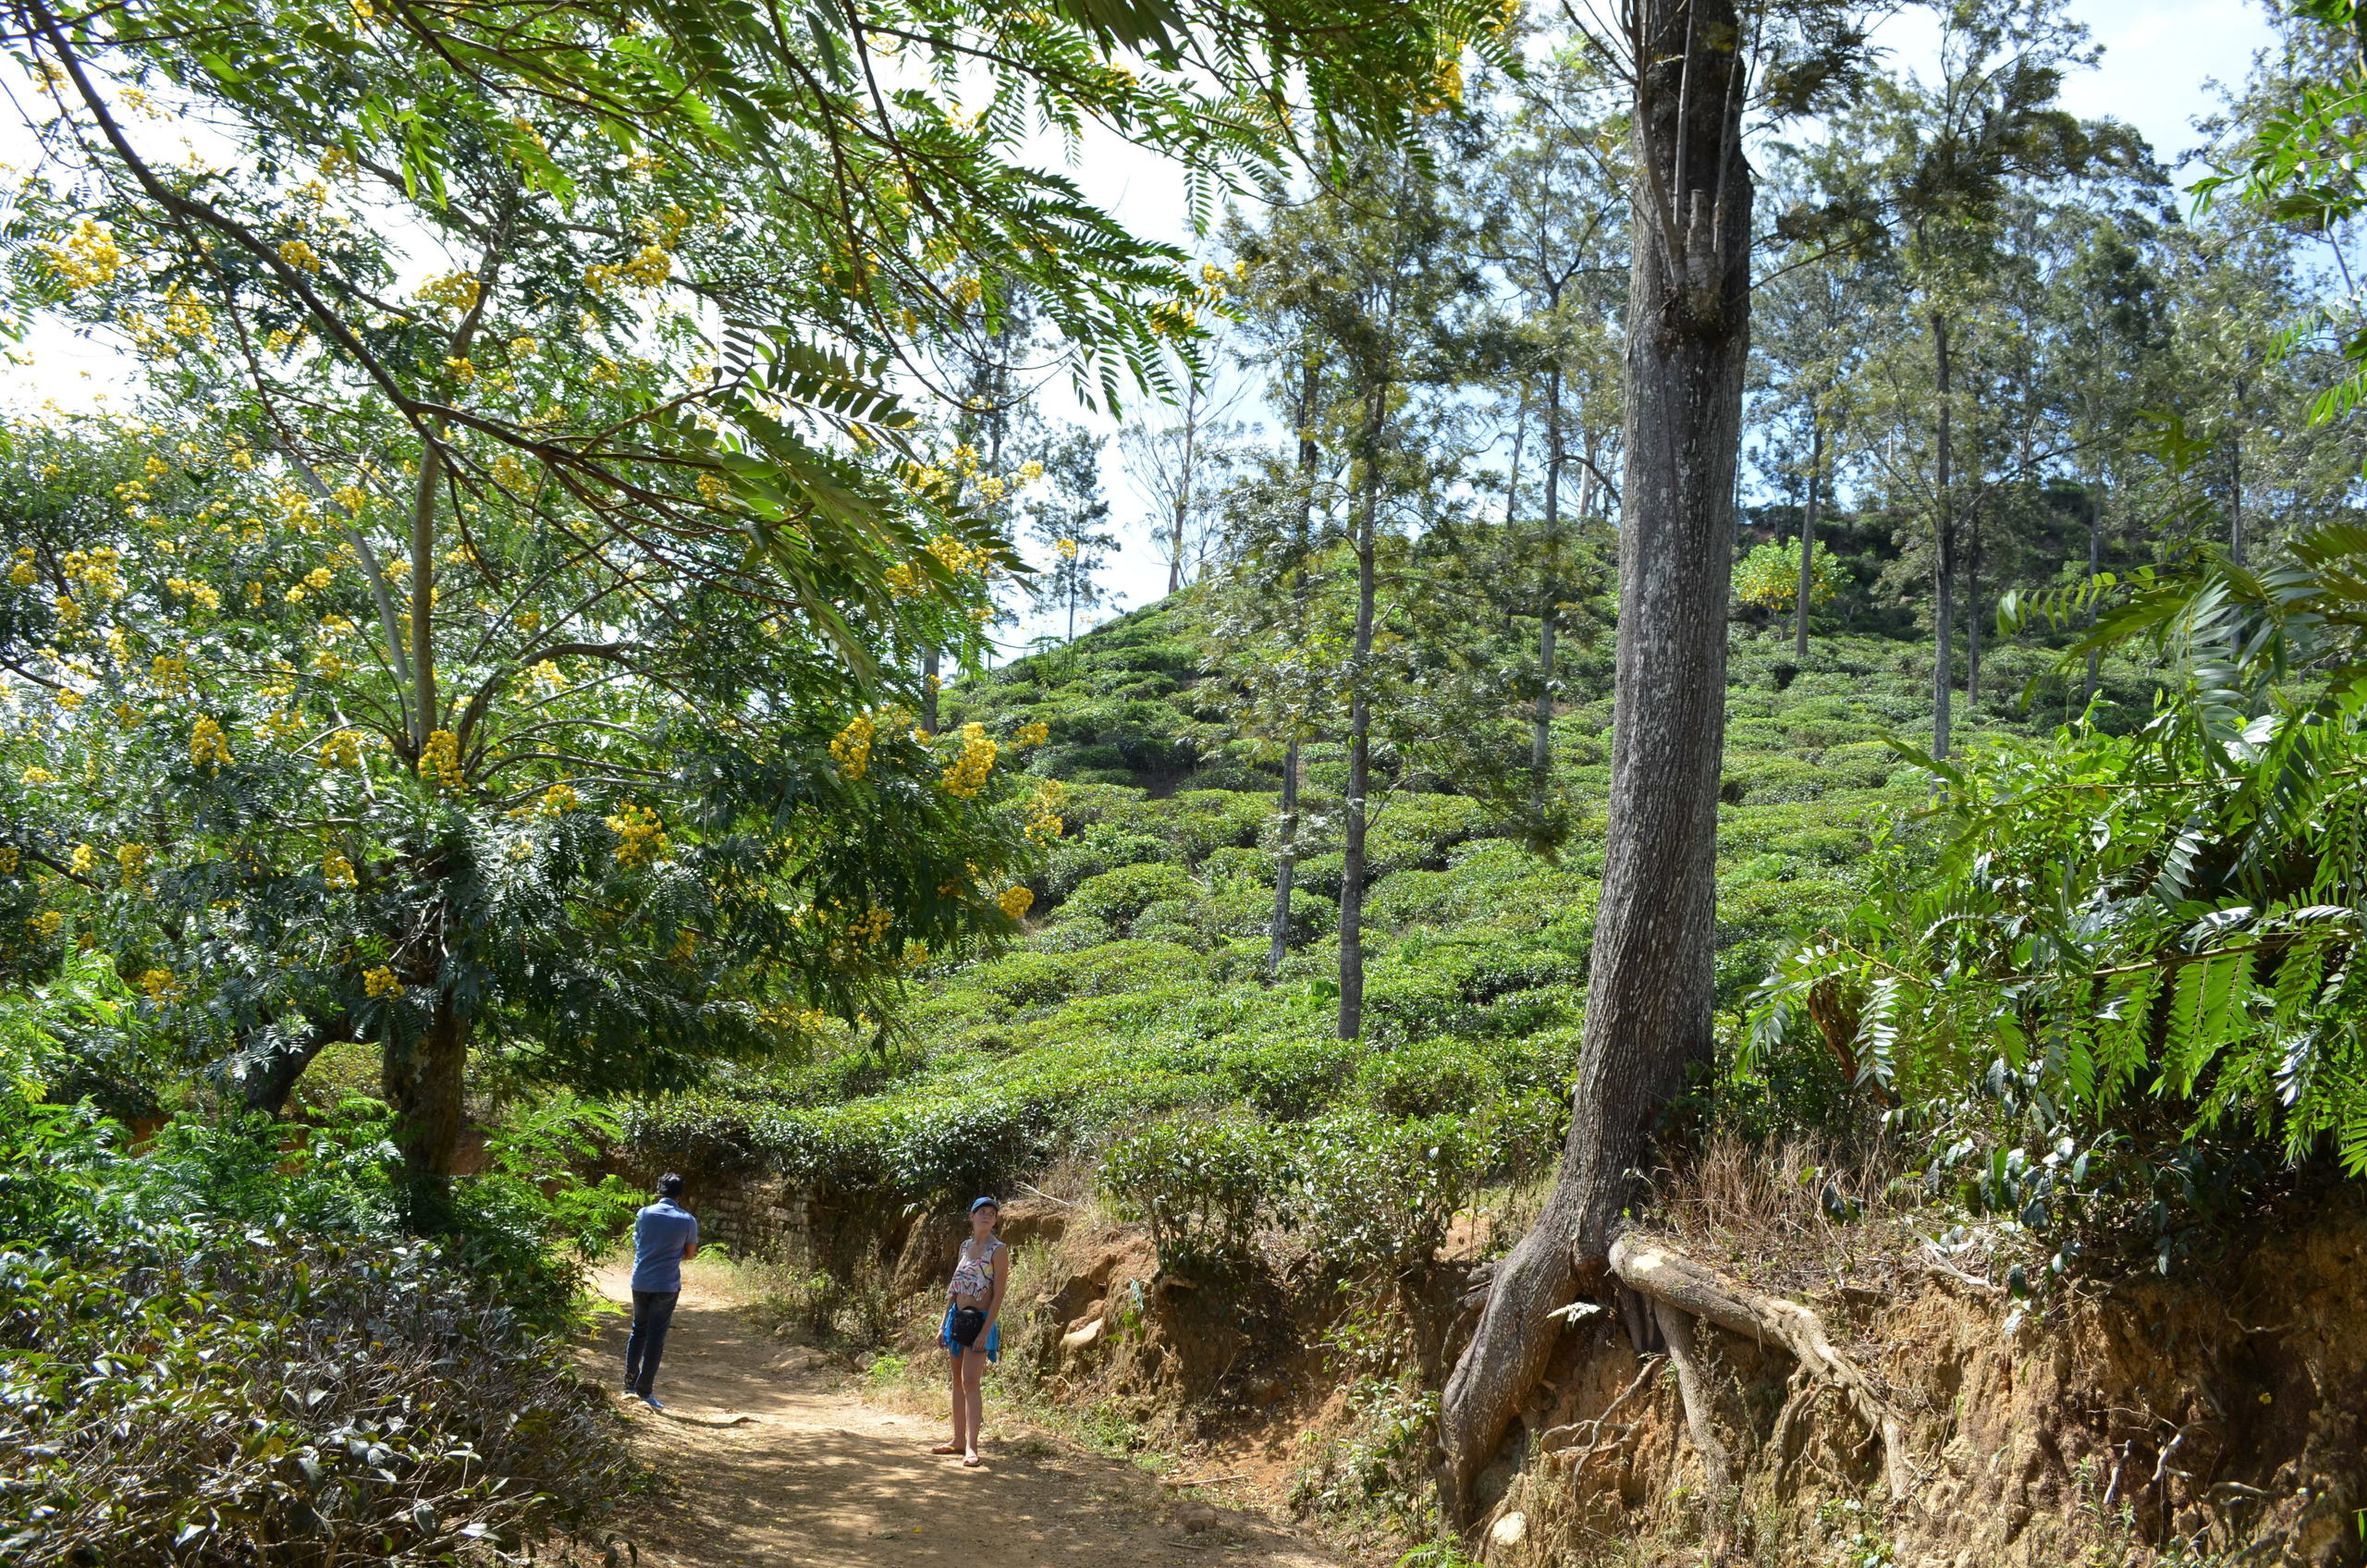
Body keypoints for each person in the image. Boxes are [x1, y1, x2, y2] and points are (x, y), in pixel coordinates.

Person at [934, 1195, 1007, 1466]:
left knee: (971, 1381)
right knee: (956, 1380)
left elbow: (999, 1293)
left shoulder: (998, 1250)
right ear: (972, 1216)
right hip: (957, 1318)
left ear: (995, 1220)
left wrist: (985, 1332)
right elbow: (955, 1288)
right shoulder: (965, 1246)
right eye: (982, 1212)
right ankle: (957, 1439)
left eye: (991, 1213)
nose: (987, 1216)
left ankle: (972, 1447)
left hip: (981, 1320)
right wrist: (943, 1324)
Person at [624, 1172, 699, 1411]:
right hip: (666, 1285)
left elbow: (639, 1242)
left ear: (659, 1191)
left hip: (641, 1281)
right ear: (681, 1194)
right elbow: (690, 1254)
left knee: (638, 1330)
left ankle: (628, 1386)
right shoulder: (688, 1220)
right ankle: (644, 1391)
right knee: (656, 1338)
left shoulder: (644, 1213)